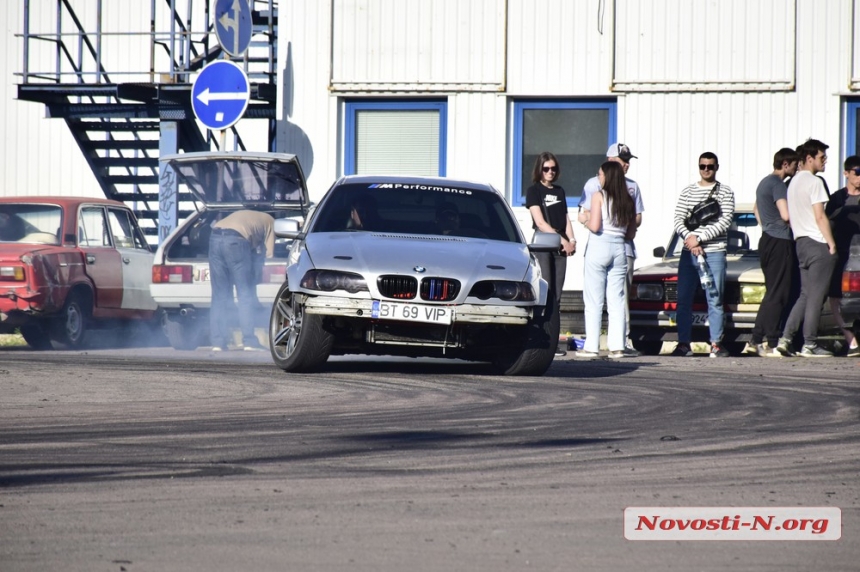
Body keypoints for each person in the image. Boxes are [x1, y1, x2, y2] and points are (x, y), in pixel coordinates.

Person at [579, 143, 645, 353]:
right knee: (616, 299)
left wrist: (587, 219)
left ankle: (592, 346)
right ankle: (617, 346)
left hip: (600, 245)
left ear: (607, 175)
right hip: (620, 248)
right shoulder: (628, 197)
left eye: (600, 174)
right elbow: (632, 231)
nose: (598, 177)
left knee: (594, 299)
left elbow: (595, 226)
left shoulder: (599, 195)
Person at [775, 139, 837, 357]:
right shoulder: (814, 182)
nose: (825, 161)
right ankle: (809, 343)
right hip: (818, 243)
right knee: (816, 297)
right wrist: (831, 244)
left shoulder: (793, 183)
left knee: (805, 295)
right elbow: (820, 216)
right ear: (809, 158)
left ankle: (785, 338)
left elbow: (790, 217)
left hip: (800, 242)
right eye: (822, 157)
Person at [671, 152, 736, 358]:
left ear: (717, 167)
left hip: (715, 251)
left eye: (710, 166)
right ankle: (683, 343)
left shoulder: (725, 192)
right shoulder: (688, 191)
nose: (706, 169)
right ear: (698, 167)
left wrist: (700, 239)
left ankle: (715, 343)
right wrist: (691, 240)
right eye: (703, 166)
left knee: (715, 298)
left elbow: (725, 221)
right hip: (689, 253)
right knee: (683, 299)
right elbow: (678, 219)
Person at [744, 148, 800, 357]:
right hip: (780, 241)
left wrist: (766, 225)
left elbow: (756, 209)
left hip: (766, 239)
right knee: (779, 293)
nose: (795, 168)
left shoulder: (764, 182)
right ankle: (773, 341)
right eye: (794, 164)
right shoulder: (778, 185)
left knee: (771, 291)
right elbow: (786, 215)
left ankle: (755, 339)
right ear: (785, 164)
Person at [525, 152, 577, 356]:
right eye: (546, 168)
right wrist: (562, 239)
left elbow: (566, 218)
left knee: (556, 295)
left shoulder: (560, 191)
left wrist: (571, 240)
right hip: (545, 245)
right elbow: (539, 222)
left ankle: (553, 342)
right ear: (540, 169)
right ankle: (540, 340)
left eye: (553, 168)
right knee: (544, 293)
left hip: (560, 247)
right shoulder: (533, 190)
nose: (550, 172)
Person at [208, 209, 275, 352]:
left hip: (214, 237)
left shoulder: (247, 215)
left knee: (219, 295)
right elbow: (269, 253)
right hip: (237, 241)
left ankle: (218, 343)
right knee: (245, 294)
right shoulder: (270, 220)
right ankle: (249, 341)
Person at [825, 155, 860, 357]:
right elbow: (826, 223)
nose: (859, 177)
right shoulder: (837, 198)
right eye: (857, 172)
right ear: (846, 173)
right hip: (842, 254)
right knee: (835, 297)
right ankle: (851, 341)